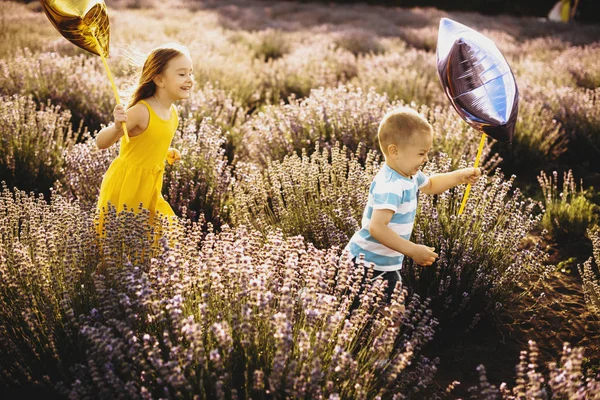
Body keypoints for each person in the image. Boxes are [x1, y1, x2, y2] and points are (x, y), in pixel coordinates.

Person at [345, 107, 482, 309]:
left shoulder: (409, 175)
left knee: (392, 313)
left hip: (386, 264)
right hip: (364, 265)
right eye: (421, 153)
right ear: (395, 151)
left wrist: (460, 176)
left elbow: (432, 185)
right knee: (354, 312)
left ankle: (389, 339)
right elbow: (377, 228)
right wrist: (413, 250)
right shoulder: (390, 185)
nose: (425, 159)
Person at [95, 43, 192, 234]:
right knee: (122, 241)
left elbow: (150, 140)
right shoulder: (141, 111)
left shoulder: (171, 112)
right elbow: (101, 143)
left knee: (162, 237)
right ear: (159, 79)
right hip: (128, 185)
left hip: (151, 185)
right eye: (182, 74)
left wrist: (165, 152)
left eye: (191, 73)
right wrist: (115, 127)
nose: (189, 79)